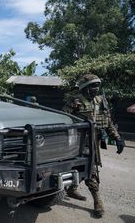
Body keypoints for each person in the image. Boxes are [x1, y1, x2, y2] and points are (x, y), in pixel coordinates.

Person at [62, 74, 125, 218]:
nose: (96, 89)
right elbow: (63, 118)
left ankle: (74, 190)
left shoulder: (101, 101)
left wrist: (117, 138)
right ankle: (97, 200)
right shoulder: (76, 101)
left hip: (94, 140)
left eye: (97, 86)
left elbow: (107, 121)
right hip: (78, 141)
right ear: (85, 88)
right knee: (87, 168)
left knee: (88, 166)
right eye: (92, 86)